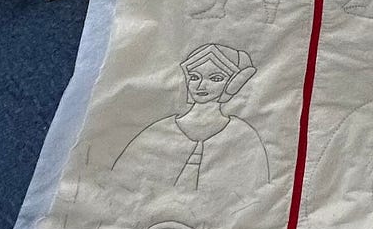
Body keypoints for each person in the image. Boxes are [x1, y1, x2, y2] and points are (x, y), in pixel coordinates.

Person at [111, 43, 269, 194]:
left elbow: (254, 192)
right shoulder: (158, 131)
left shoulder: (243, 136)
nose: (201, 85)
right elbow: (121, 180)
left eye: (215, 78)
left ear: (233, 84)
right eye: (194, 77)